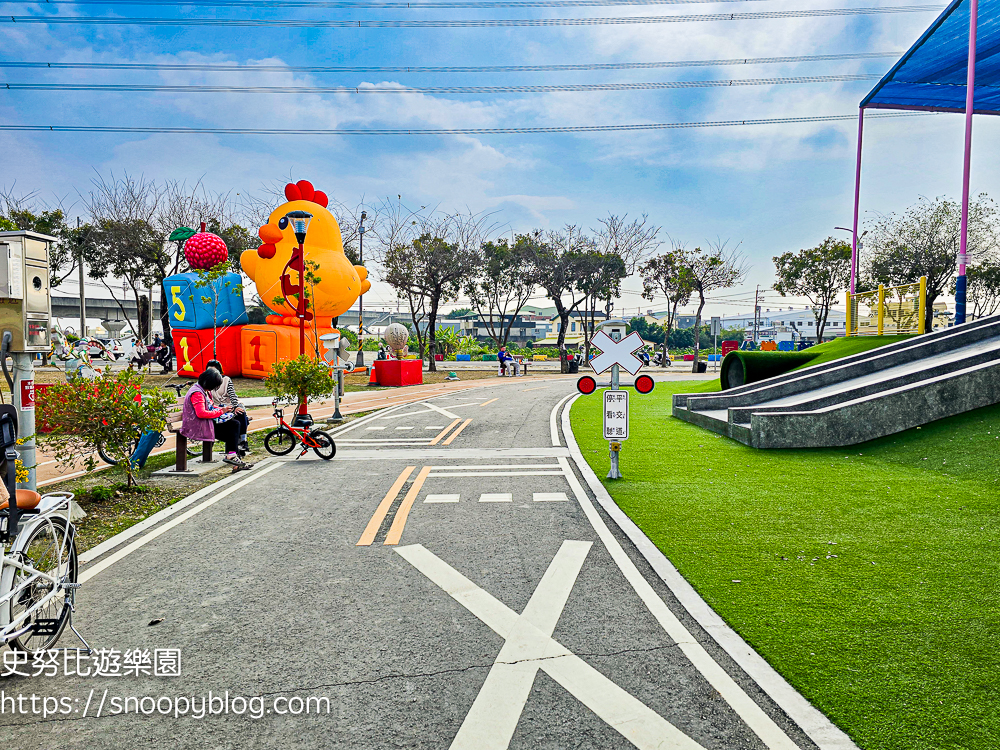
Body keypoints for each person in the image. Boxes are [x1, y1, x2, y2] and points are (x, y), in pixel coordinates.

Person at [181, 368, 252, 471]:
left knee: (235, 424)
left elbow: (211, 407)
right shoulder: (197, 393)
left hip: (206, 422)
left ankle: (233, 457)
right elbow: (201, 413)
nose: (214, 388)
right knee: (233, 429)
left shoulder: (204, 391)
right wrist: (221, 412)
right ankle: (233, 457)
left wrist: (225, 410)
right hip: (199, 425)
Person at [206, 358, 250, 454]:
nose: (212, 373)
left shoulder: (226, 380)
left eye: (214, 370)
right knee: (235, 422)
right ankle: (234, 448)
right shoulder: (206, 383)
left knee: (240, 412)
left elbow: (233, 395)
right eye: (209, 370)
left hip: (229, 405)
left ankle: (243, 441)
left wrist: (235, 406)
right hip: (217, 408)